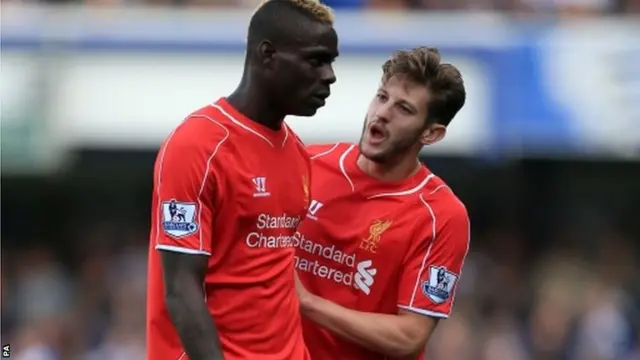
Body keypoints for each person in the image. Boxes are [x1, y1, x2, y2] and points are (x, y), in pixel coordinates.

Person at [145, 1, 338, 359]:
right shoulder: (198, 146)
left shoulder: (296, 152)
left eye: (332, 62)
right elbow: (180, 288)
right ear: (268, 55)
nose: (329, 76)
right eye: (316, 60)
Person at [294, 47, 470, 360]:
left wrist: (305, 302)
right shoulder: (307, 162)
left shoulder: (441, 215)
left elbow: (409, 336)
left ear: (431, 133)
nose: (383, 113)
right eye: (382, 97)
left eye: (404, 108)